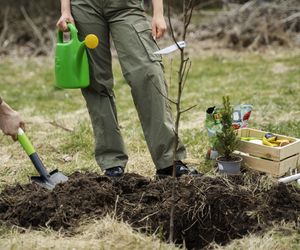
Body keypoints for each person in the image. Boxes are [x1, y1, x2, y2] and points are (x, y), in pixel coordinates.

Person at [57, 0, 197, 177]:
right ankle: (111, 162)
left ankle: (168, 161)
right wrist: (65, 10)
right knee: (95, 82)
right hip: (85, 6)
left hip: (125, 7)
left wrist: (158, 12)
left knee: (148, 73)